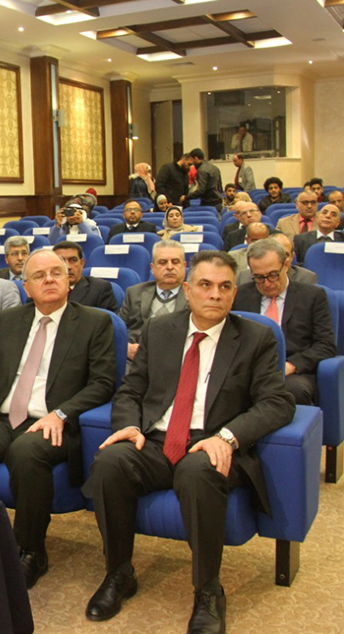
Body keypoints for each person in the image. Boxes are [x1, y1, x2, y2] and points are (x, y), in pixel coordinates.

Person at [82, 250, 294, 633]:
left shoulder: (256, 337)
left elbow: (277, 402)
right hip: (156, 440)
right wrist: (128, 425)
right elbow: (131, 389)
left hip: (211, 442)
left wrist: (227, 438)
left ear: (234, 293)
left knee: (198, 471)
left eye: (225, 287)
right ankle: (119, 572)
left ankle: (208, 590)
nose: (215, 294)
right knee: (110, 462)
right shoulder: (159, 329)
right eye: (205, 285)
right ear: (187, 289)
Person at [0, 249, 116, 588]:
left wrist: (61, 413)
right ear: (26, 287)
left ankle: (30, 549)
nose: (49, 280)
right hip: (3, 419)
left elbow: (103, 384)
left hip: (54, 422)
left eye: (56, 273)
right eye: (39, 276)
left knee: (26, 453)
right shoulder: (10, 319)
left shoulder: (95, 322)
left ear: (69, 280)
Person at [234, 238, 336, 405]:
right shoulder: (240, 296)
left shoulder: (312, 297)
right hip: (250, 368)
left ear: (286, 265)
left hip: (293, 372)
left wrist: (292, 365)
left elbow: (325, 345)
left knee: (292, 390)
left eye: (273, 275)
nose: (267, 283)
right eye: (259, 277)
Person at [119, 241, 187, 362]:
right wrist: (125, 348)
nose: (170, 267)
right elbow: (118, 330)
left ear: (184, 266)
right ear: (152, 268)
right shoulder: (134, 293)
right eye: (163, 262)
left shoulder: (195, 296)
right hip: (137, 359)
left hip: (178, 360)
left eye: (175, 262)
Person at [55, 241, 118, 312]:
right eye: (61, 261)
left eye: (73, 260)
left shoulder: (100, 289)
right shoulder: (46, 289)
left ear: (82, 264)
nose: (67, 266)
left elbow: (109, 318)